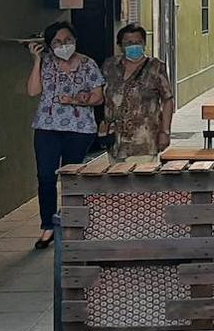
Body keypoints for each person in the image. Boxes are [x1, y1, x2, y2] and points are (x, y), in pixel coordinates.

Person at [26, 21, 104, 249]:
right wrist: (37, 60)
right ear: (49, 46)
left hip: (79, 129)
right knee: (46, 177)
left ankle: (71, 221)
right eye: (57, 42)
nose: (64, 45)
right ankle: (48, 225)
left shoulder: (88, 64)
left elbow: (99, 97)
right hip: (47, 128)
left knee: (71, 176)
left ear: (75, 40)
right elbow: (32, 91)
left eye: (67, 40)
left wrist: (78, 99)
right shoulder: (46, 63)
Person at [101, 24, 174, 160]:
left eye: (138, 42)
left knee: (142, 179)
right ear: (120, 45)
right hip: (115, 140)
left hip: (144, 140)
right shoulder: (109, 66)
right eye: (129, 43)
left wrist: (165, 131)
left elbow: (167, 99)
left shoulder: (155, 67)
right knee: (116, 179)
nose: (134, 46)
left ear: (144, 43)